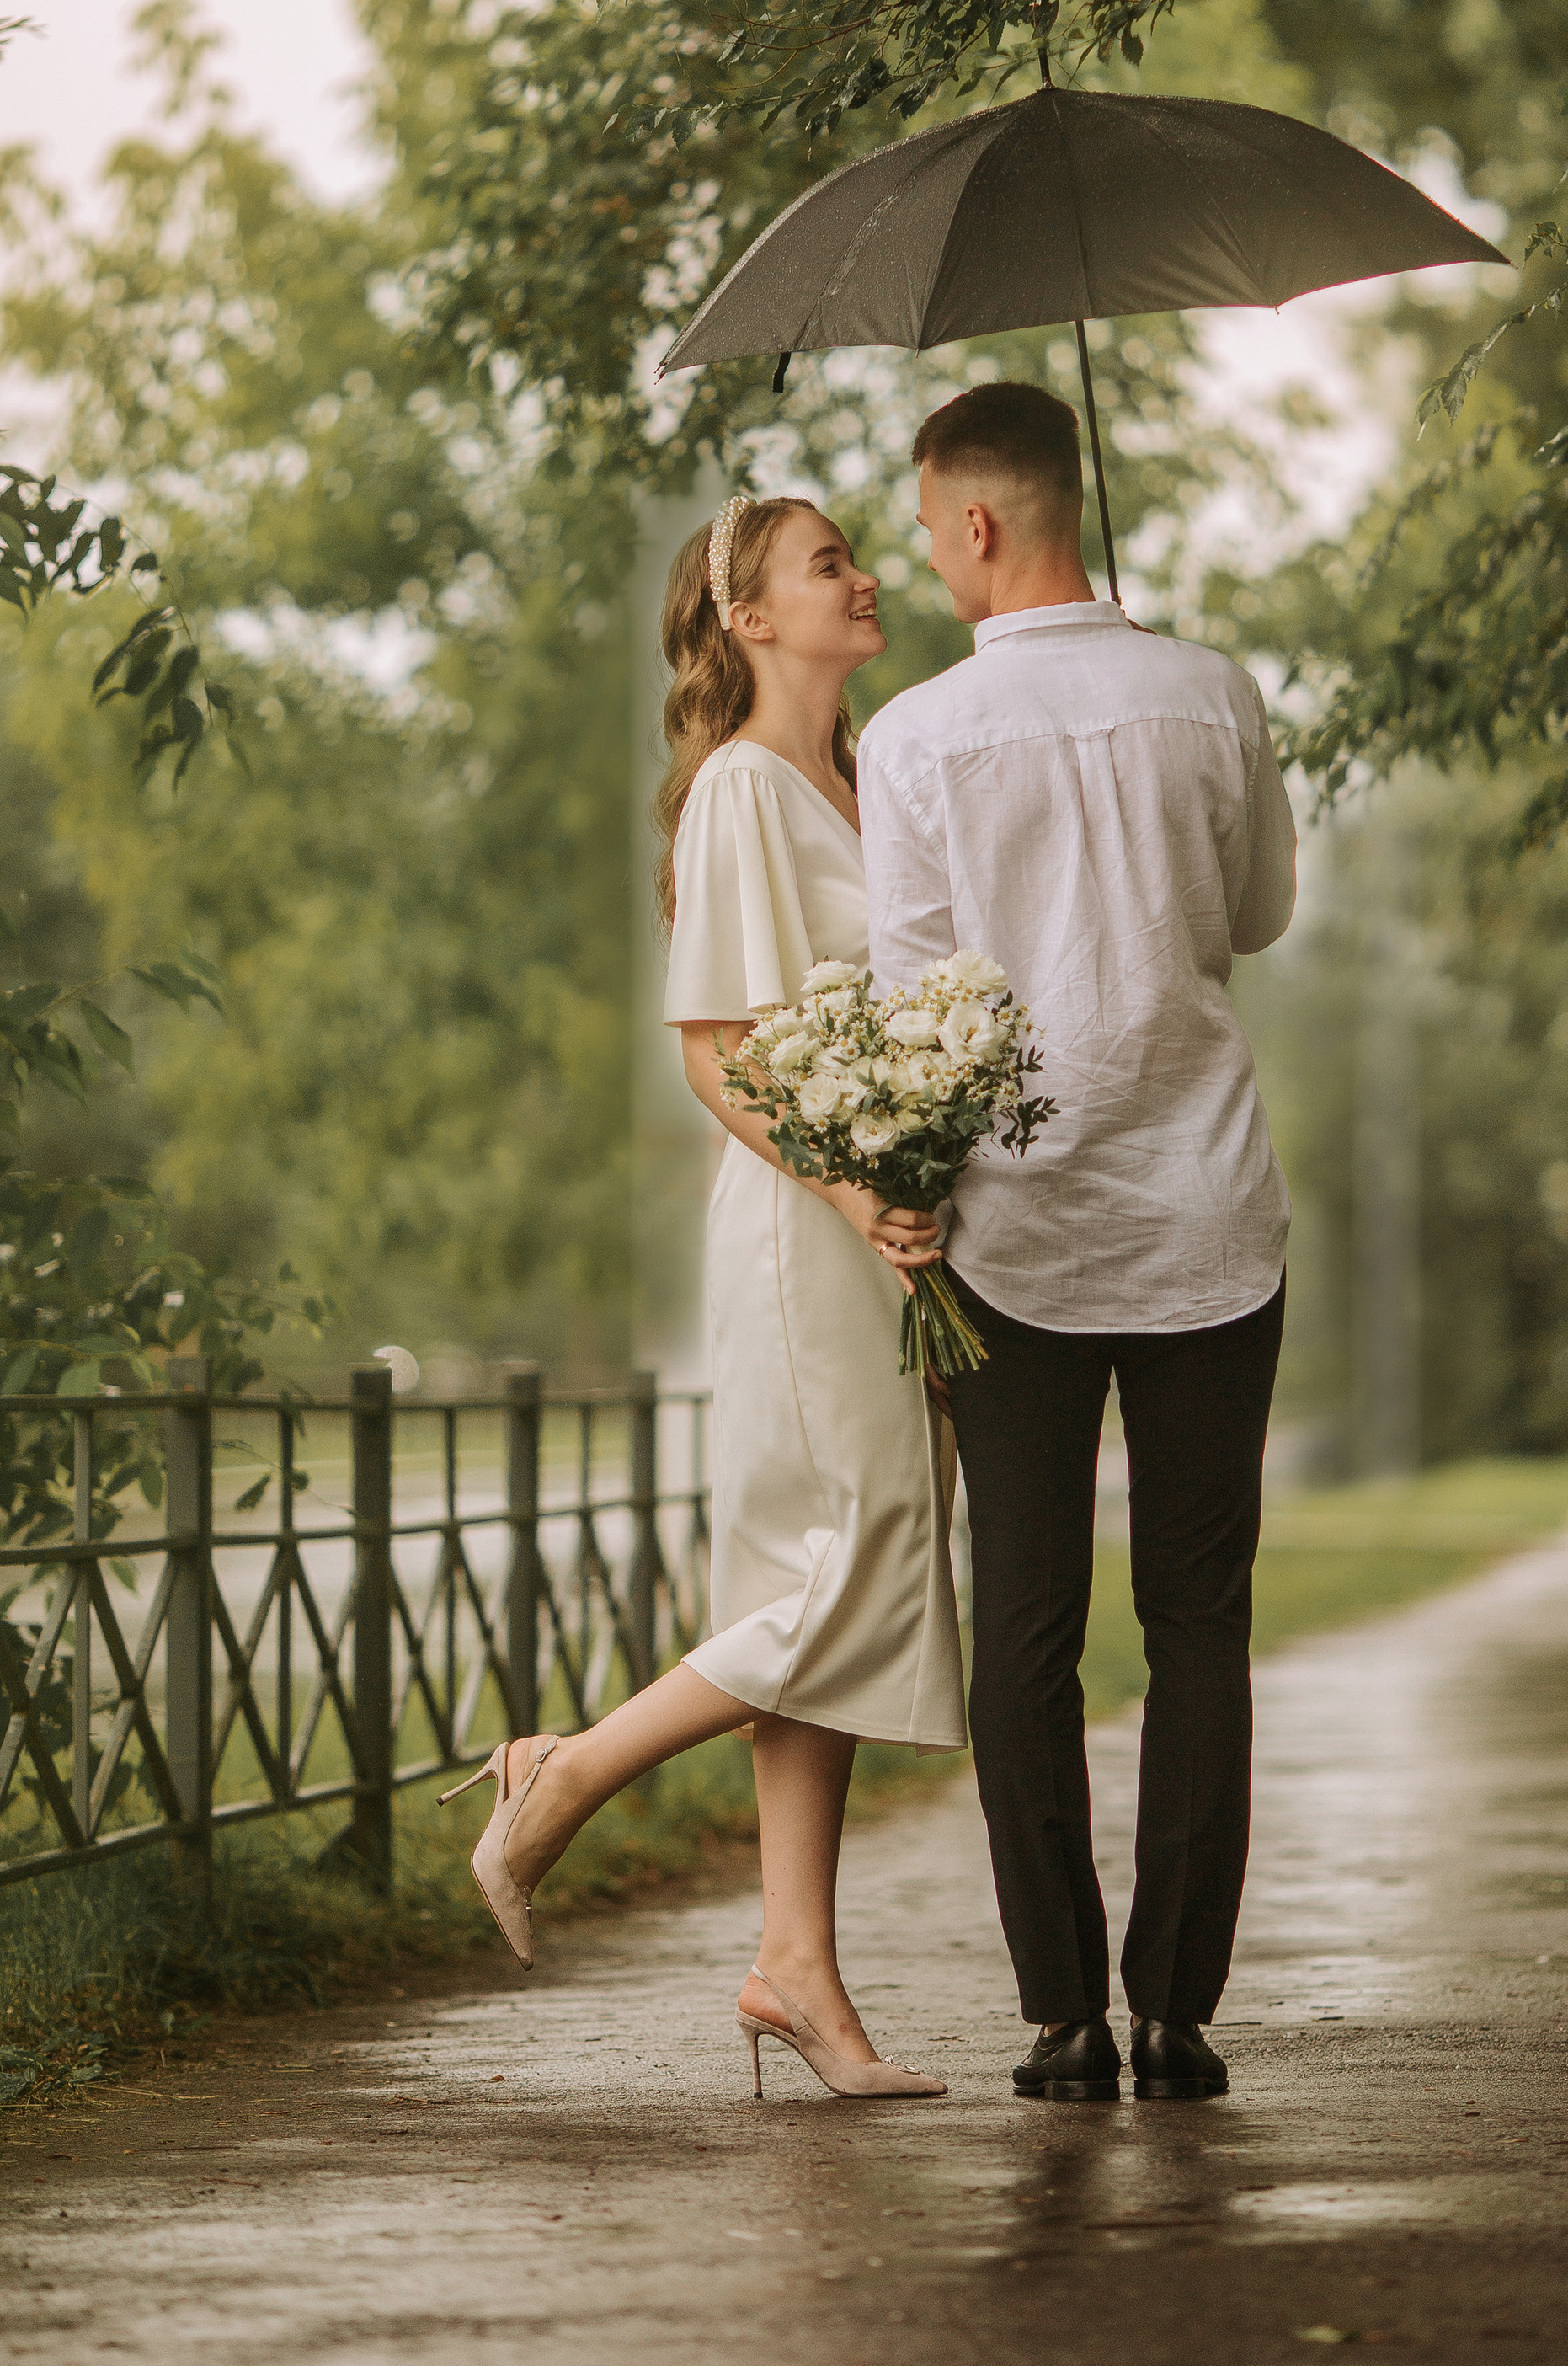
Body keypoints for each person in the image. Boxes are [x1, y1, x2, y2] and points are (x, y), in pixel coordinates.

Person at [450, 492, 964, 2100]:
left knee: (827, 1570)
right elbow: (718, 1055)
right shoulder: (745, 782)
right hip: (810, 1229)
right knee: (859, 1559)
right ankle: (563, 1774)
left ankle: (795, 1969)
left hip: (883, 1219)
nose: (864, 577)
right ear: (749, 618)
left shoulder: (867, 782)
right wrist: (856, 1189)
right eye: (829, 563)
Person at [858, 381, 1296, 2103]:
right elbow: (1257, 913)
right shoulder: (1215, 691)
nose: (923, 554)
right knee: (1198, 1622)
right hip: (1207, 1218)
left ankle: (1061, 2017)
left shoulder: (914, 740)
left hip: (1013, 1238)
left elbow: (916, 1003)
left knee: (1024, 1627)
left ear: (977, 523)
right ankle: (1177, 2013)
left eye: (923, 527)